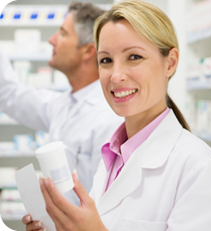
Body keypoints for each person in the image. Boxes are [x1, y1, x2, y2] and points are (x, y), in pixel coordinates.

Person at [22, 1, 211, 231]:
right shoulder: (112, 158)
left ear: (170, 63)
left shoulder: (200, 168)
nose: (116, 75)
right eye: (106, 60)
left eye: (134, 57)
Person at [0, 2, 122, 205]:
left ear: (88, 51)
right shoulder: (63, 103)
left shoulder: (109, 117)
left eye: (63, 33)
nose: (51, 40)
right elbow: (10, 95)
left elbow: (105, 206)